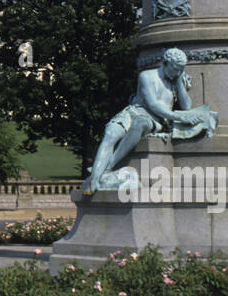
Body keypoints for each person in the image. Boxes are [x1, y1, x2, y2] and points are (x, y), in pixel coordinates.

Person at [83, 47, 216, 192]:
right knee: (110, 133)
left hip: (153, 120)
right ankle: (94, 180)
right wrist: (180, 117)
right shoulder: (146, 76)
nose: (177, 73)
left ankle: (106, 168)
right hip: (133, 111)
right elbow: (153, 104)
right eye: (175, 69)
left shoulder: (175, 80)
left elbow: (187, 106)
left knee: (140, 123)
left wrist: (179, 82)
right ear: (165, 63)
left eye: (180, 70)